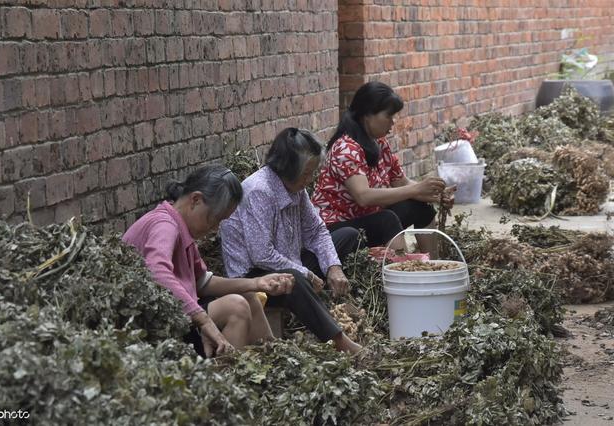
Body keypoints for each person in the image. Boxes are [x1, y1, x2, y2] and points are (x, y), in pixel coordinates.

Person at [122, 165, 295, 358]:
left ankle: (275, 360)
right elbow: (156, 271)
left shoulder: (181, 226)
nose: (214, 228)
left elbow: (201, 282)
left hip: (178, 312)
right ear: (195, 200)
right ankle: (223, 382)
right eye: (214, 219)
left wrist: (255, 283)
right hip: (149, 323)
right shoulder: (164, 225)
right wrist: (203, 320)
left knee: (248, 296)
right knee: (235, 307)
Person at [219, 128, 362, 353]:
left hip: (288, 261)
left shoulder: (297, 189)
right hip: (253, 276)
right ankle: (338, 339)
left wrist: (333, 268)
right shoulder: (259, 191)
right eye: (306, 173)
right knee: (294, 279)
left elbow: (317, 230)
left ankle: (321, 292)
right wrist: (305, 273)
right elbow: (262, 254)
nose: (310, 179)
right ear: (287, 168)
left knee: (347, 235)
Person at [311, 81, 455, 257]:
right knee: (387, 219)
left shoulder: (379, 143)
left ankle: (434, 266)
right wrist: (415, 189)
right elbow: (363, 196)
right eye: (389, 116)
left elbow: (401, 182)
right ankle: (400, 273)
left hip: (366, 221)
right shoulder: (346, 148)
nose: (393, 122)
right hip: (337, 230)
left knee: (420, 207)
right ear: (367, 115)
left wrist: (435, 195)